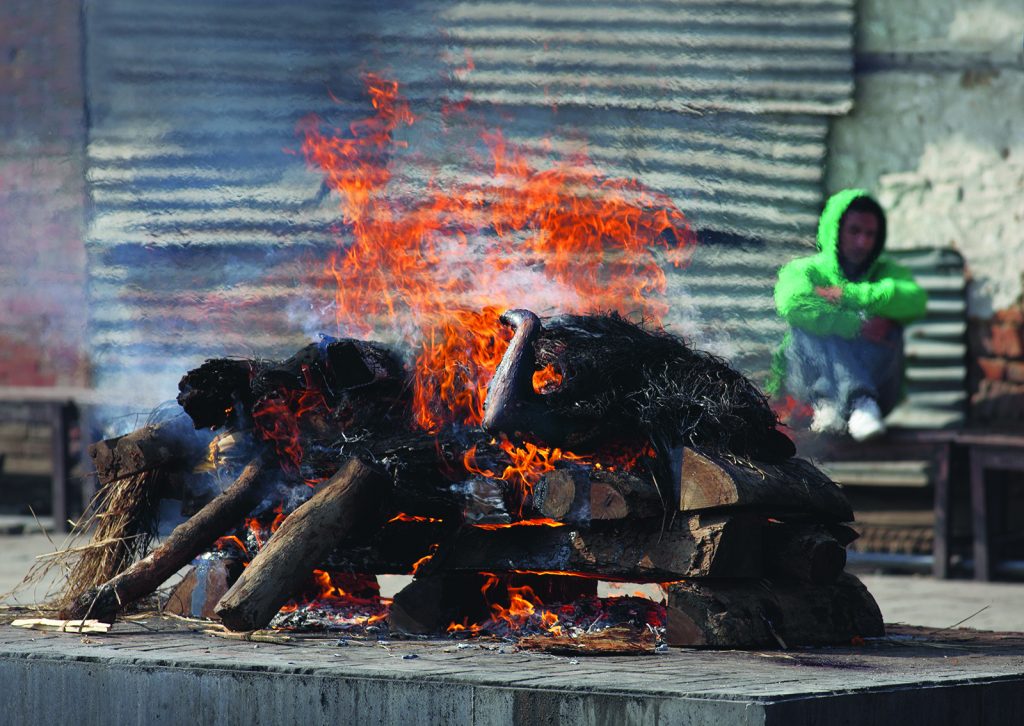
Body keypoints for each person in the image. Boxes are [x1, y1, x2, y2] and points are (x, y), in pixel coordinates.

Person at [767, 188, 927, 441]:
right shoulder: (805, 270)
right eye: (854, 231)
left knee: (890, 325)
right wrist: (856, 324)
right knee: (805, 325)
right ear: (835, 231)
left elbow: (915, 301)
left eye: (870, 234)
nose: (862, 242)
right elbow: (792, 304)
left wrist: (847, 295)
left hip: (878, 395)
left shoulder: (887, 272)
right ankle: (838, 401)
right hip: (806, 396)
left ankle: (858, 402)